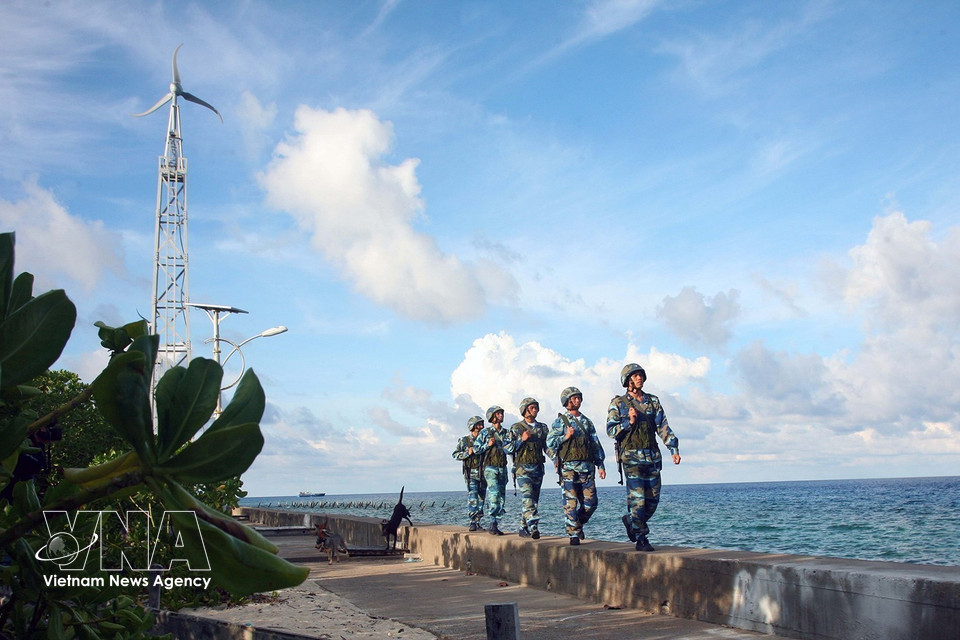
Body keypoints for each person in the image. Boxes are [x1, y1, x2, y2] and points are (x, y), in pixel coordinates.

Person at [606, 363, 681, 552]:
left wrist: (673, 449)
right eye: (635, 375)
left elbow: (662, 426)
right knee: (638, 501)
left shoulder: (653, 401)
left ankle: (631, 521)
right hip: (631, 458)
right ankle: (641, 537)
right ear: (627, 380)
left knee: (653, 500)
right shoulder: (619, 403)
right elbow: (611, 430)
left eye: (641, 375)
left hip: (652, 456)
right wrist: (629, 422)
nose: (639, 378)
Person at [546, 387, 606, 545]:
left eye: (579, 397)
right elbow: (550, 443)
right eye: (574, 398)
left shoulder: (587, 422)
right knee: (570, 503)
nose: (577, 400)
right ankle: (573, 534)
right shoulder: (560, 422)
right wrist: (565, 437)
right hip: (569, 468)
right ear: (566, 402)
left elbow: (595, 443)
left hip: (586, 468)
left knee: (591, 503)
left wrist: (601, 464)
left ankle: (576, 523)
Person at [505, 397, 548, 539]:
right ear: (524, 410)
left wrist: (555, 460)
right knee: (527, 497)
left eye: (536, 407)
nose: (535, 410)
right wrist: (521, 440)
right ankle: (533, 525)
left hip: (537, 469)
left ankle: (523, 527)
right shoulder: (516, 428)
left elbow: (547, 447)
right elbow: (507, 448)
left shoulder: (542, 428)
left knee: (534, 500)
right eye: (531, 408)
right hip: (522, 470)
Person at [474, 406, 514, 535]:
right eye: (498, 413)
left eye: (502, 413)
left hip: (502, 467)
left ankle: (495, 522)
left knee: (501, 496)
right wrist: (487, 445)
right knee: (494, 493)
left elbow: (511, 448)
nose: (501, 415)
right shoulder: (485, 433)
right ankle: (492, 522)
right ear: (492, 416)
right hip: (490, 468)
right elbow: (476, 449)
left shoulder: (506, 433)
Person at [451, 416, 487, 531]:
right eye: (478, 425)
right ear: (472, 426)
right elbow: (455, 454)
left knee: (482, 498)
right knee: (473, 497)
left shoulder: (485, 439)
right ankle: (472, 521)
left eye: (482, 424)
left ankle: (478, 521)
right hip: (471, 473)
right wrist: (467, 452)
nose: (481, 427)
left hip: (483, 473)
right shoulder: (465, 440)